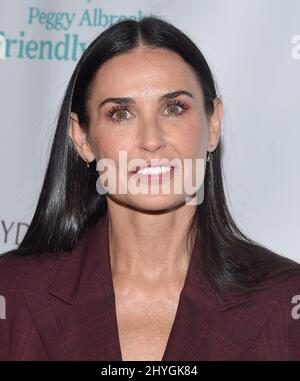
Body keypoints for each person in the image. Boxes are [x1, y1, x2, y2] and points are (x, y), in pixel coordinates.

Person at [0, 15, 300, 361]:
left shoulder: (284, 301)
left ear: (213, 124)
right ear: (82, 138)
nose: (151, 140)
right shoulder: (13, 294)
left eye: (174, 108)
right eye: (121, 114)